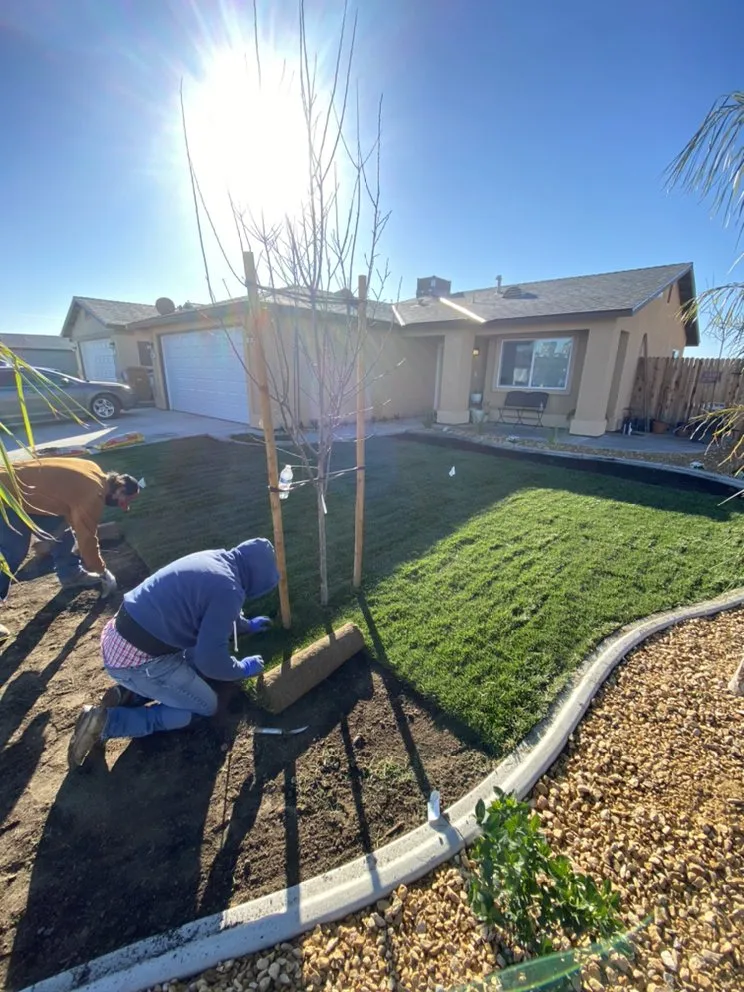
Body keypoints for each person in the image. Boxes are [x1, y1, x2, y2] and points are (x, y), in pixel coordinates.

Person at [67, 537, 279, 768]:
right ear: (256, 580)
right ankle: (107, 723)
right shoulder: (229, 591)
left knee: (194, 662)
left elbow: (215, 607)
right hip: (138, 662)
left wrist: (245, 625)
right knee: (203, 706)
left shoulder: (218, 560)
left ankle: (131, 694)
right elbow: (211, 661)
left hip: (120, 636)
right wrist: (242, 668)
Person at [0, 457, 141, 640]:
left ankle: (70, 574)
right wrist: (101, 570)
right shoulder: (93, 494)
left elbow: (70, 518)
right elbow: (87, 537)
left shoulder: (93, 470)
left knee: (61, 526)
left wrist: (51, 540)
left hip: (24, 491)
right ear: (120, 488)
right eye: (124, 500)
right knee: (13, 551)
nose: (122, 506)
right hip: (6, 495)